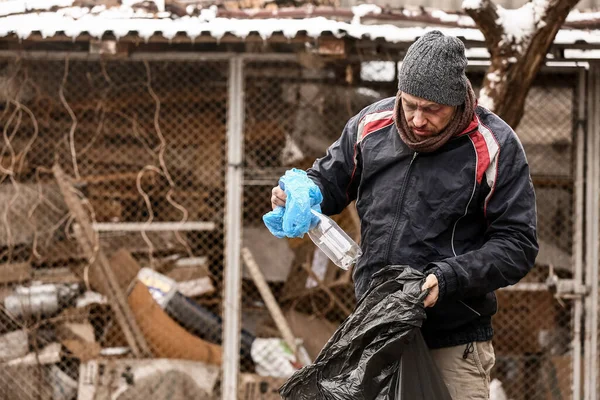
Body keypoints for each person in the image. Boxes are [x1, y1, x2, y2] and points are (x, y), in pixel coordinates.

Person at [270, 30, 538, 399]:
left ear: (459, 101)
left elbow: (517, 244)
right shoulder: (371, 125)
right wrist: (302, 192)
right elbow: (330, 182)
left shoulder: (494, 146)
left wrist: (447, 279)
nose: (416, 119)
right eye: (409, 103)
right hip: (376, 331)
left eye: (432, 110)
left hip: (452, 340)